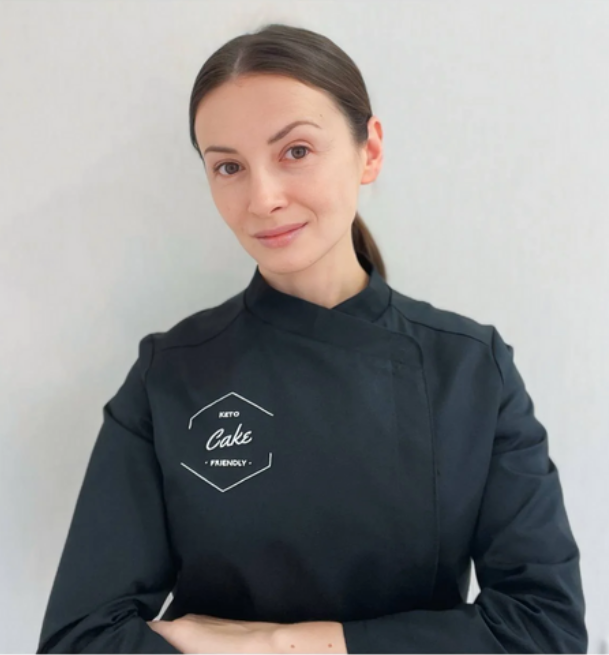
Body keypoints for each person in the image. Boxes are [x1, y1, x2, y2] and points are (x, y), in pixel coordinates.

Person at [36, 23, 587, 654]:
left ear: (368, 151)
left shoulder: (470, 370)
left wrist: (277, 644)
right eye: (228, 166)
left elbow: (545, 631)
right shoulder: (170, 376)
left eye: (295, 151)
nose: (263, 198)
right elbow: (80, 641)